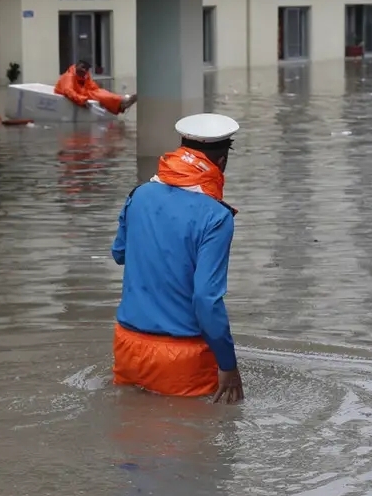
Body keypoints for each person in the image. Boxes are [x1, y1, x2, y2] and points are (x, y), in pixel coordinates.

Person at [110, 113, 244, 404]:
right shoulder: (217, 216)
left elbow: (119, 253)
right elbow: (206, 299)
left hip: (127, 345)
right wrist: (228, 366)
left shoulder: (139, 194)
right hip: (183, 359)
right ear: (222, 162)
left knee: (130, 424)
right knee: (198, 430)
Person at [55, 59, 137, 115]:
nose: (84, 70)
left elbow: (93, 87)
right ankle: (122, 103)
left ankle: (122, 101)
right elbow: (68, 91)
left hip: (83, 92)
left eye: (86, 69)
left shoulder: (85, 76)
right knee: (98, 95)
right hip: (74, 94)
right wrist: (82, 100)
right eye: (82, 67)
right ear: (77, 66)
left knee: (101, 93)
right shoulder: (69, 76)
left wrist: (98, 94)